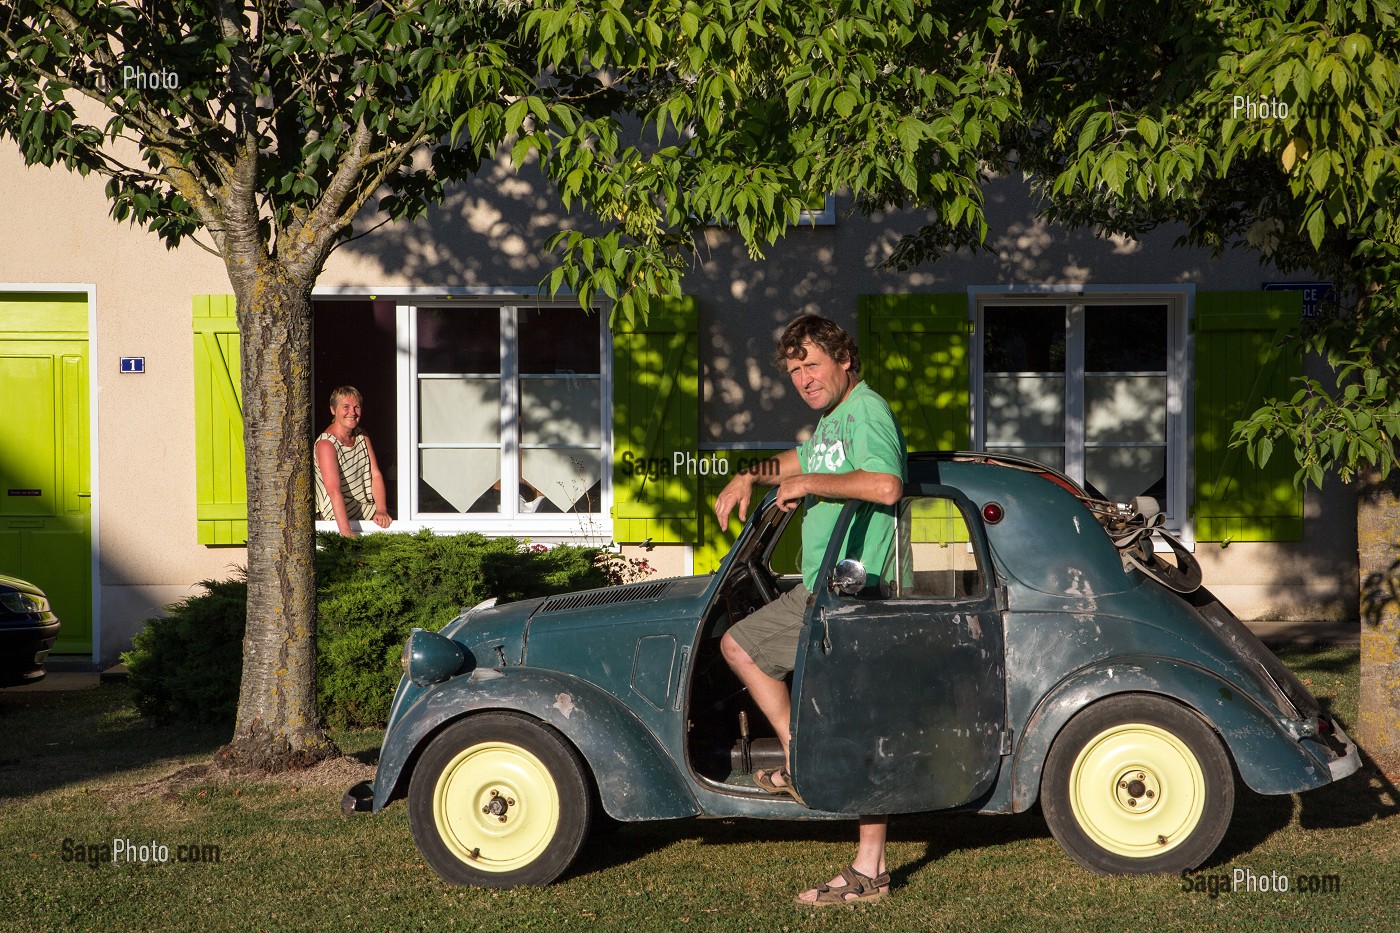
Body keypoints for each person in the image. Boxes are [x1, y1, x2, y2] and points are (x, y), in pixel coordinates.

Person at [713, 314, 907, 906]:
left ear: (844, 359)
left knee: (856, 719)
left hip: (856, 592)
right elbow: (802, 458)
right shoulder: (832, 421)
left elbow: (886, 485)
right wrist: (749, 475)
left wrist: (811, 485)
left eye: (812, 365)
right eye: (795, 371)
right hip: (821, 589)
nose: (804, 379)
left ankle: (871, 868)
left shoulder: (867, 410)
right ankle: (802, 759)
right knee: (741, 644)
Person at [314, 386, 392, 537]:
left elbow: (375, 474)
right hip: (337, 518)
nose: (352, 412)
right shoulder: (326, 444)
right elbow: (333, 491)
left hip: (365, 509)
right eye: (346, 407)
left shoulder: (361, 435)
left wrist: (381, 510)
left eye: (357, 407)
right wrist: (346, 531)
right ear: (333, 410)